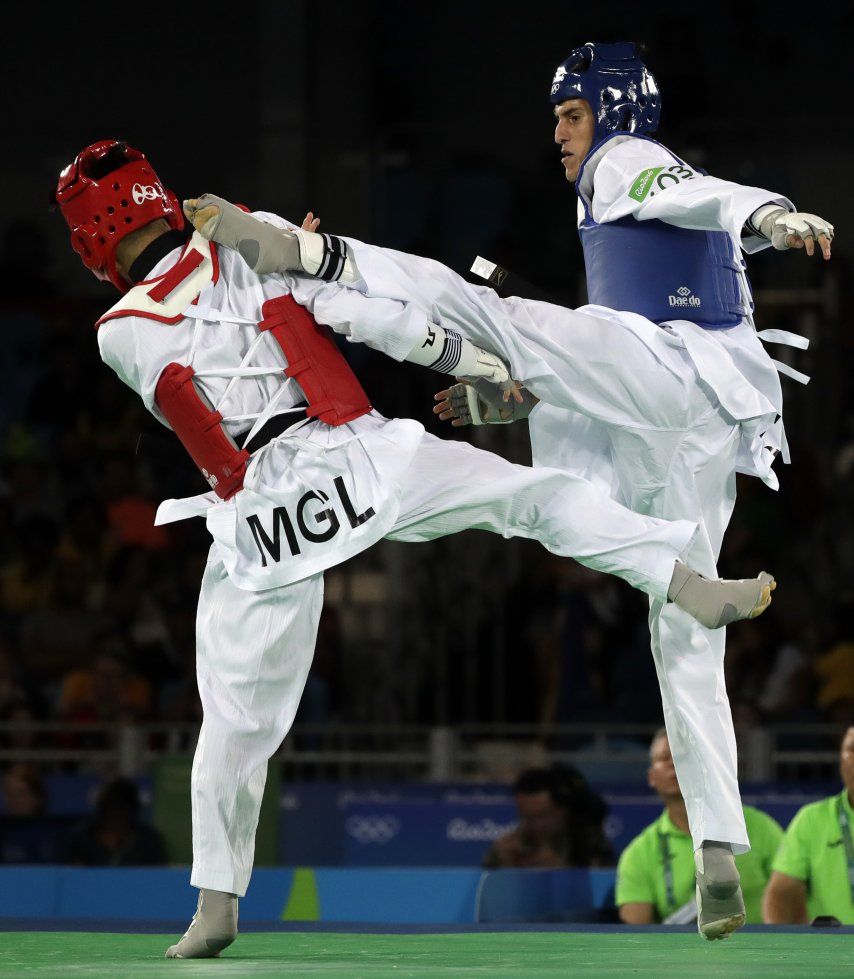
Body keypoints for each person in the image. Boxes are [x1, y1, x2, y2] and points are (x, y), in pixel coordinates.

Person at [52, 140, 771, 959]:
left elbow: (201, 381)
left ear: (93, 240)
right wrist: (476, 363)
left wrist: (283, 268)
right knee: (532, 499)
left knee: (234, 719)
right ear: (157, 196)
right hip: (363, 454)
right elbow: (374, 318)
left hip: (263, 506)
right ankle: (680, 576)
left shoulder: (119, 333)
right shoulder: (243, 238)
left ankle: (215, 907)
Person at [185, 40, 832, 941]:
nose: (563, 139)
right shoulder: (645, 199)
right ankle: (719, 852)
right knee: (682, 623)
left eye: (572, 117)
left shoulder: (625, 159)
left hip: (673, 374)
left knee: (487, 310)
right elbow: (704, 235)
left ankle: (308, 250)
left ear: (613, 112)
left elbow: (696, 194)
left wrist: (770, 203)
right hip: (703, 420)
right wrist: (768, 222)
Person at [617, 729, 782, 926]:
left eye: (683, 755)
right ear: (652, 777)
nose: (673, 763)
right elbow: (637, 931)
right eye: (664, 758)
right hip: (679, 954)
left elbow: (791, 894)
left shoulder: (759, 827)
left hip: (758, 950)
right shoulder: (639, 853)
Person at [763, 726, 854, 925]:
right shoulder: (812, 819)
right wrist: (782, 947)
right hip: (829, 949)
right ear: (840, 760)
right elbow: (781, 895)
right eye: (851, 750)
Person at [482, 765, 612, 869]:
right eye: (527, 818)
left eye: (543, 816)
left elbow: (606, 888)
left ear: (563, 810)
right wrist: (504, 870)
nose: (537, 825)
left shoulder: (589, 842)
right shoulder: (512, 846)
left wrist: (561, 870)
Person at [66, 776, 167, 867]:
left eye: (123, 807)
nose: (117, 814)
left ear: (132, 810)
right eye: (112, 807)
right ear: (103, 809)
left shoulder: (149, 841)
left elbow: (158, 873)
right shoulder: (81, 839)